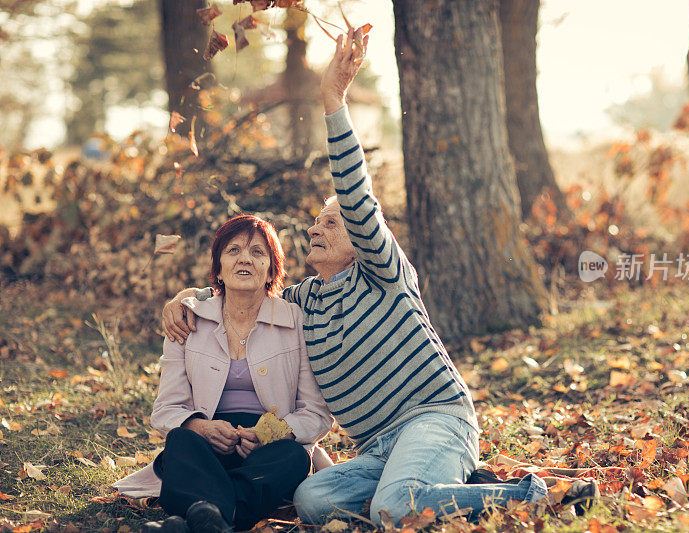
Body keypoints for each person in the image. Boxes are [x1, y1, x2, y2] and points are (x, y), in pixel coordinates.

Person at [161, 28, 558, 526]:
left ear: (363, 232)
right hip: (377, 448)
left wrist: (333, 99)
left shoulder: (384, 274)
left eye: (331, 222)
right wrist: (186, 298)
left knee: (394, 507)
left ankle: (529, 494)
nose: (314, 228)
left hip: (433, 419)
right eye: (316, 222)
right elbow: (243, 287)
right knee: (312, 502)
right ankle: (451, 487)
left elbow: (354, 193)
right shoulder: (303, 301)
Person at [114, 215, 333, 533]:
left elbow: (315, 415)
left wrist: (267, 436)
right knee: (181, 440)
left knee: (294, 457)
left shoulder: (296, 322)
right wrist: (201, 428)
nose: (245, 258)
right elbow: (166, 411)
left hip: (266, 453)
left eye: (258, 252)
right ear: (217, 268)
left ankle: (200, 513)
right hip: (206, 450)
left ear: (272, 269)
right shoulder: (187, 321)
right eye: (233, 250)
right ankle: (219, 519)